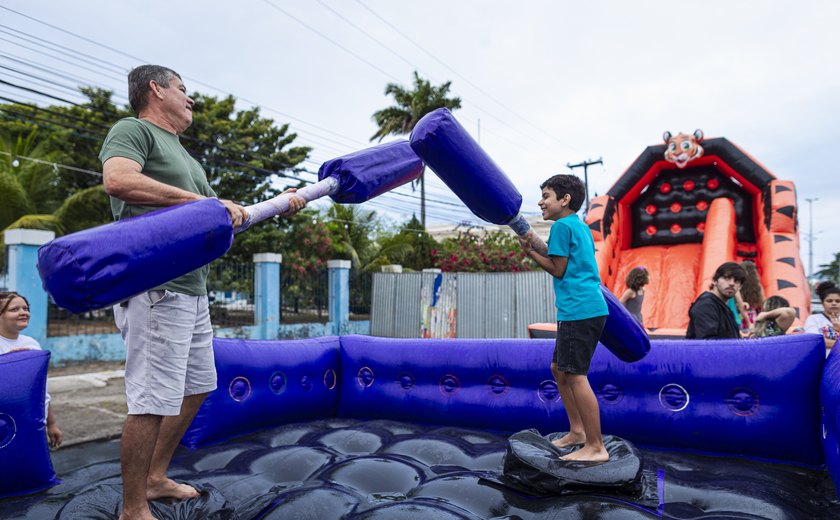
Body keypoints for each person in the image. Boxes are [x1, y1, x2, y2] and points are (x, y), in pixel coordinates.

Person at [100, 65, 306, 520]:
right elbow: (117, 180)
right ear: (156, 89)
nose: (190, 98)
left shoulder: (187, 159)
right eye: (183, 89)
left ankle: (155, 477)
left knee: (197, 387)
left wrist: (280, 203)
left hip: (192, 290)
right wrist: (205, 203)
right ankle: (132, 508)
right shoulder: (133, 130)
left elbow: (221, 221)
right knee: (151, 399)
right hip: (156, 288)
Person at [519, 174, 609, 463]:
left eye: (546, 196)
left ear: (564, 199)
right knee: (559, 369)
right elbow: (562, 261)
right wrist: (535, 242)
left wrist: (529, 251)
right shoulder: (576, 226)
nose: (540, 201)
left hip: (578, 309)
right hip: (586, 308)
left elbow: (557, 269)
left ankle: (596, 446)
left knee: (574, 375)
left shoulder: (560, 226)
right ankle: (577, 431)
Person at [0, 291, 63, 449]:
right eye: (14, 309)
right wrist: (8, 362)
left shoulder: (32, 344)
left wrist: (52, 424)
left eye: (26, 308)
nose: (23, 312)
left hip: (32, 422)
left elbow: (40, 390)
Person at [685, 262, 746, 339]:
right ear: (715, 281)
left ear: (740, 287)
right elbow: (708, 344)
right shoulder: (706, 305)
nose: (732, 283)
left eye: (737, 281)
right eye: (727, 278)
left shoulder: (724, 308)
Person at [804, 281, 840, 349]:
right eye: (829, 301)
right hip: (822, 358)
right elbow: (813, 341)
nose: (834, 303)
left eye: (838, 301)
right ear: (822, 302)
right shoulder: (813, 319)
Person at [739, 260, 764, 327]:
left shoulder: (738, 286)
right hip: (754, 316)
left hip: (741, 316)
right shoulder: (758, 287)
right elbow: (762, 303)